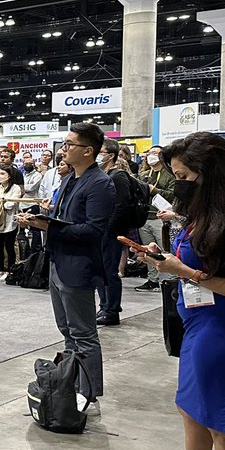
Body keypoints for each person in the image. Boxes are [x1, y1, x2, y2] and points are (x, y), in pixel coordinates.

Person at [134, 132, 225, 450]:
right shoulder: (207, 211)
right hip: (198, 323)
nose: (177, 183)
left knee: (224, 421)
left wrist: (187, 273)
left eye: (183, 175)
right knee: (192, 407)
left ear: (208, 173)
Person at [17, 122, 116, 414]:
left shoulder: (100, 184)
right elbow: (61, 216)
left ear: (88, 151)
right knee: (67, 331)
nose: (64, 149)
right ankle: (72, 386)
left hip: (79, 267)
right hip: (58, 262)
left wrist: (50, 227)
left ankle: (90, 395)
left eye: (70, 144)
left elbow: (94, 231)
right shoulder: (69, 180)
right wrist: (39, 217)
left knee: (84, 334)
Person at [96, 139, 134, 324]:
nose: (98, 154)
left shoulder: (118, 176)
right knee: (100, 271)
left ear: (110, 155)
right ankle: (104, 306)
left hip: (110, 232)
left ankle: (111, 311)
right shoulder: (101, 174)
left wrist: (108, 229)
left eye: (101, 151)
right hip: (99, 230)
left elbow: (121, 205)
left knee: (109, 271)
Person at [135, 145, 177, 292]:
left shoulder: (170, 174)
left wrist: (154, 190)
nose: (151, 155)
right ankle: (152, 279)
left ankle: (172, 279)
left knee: (166, 249)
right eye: (150, 153)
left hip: (163, 217)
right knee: (148, 251)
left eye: (155, 153)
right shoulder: (144, 174)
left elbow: (172, 194)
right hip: (145, 216)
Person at [0, 164, 24, 280]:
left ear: (9, 176)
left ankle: (10, 271)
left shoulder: (15, 188)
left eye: (3, 174)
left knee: (9, 247)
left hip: (10, 222)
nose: (0, 176)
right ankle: (0, 270)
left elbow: (10, 205)